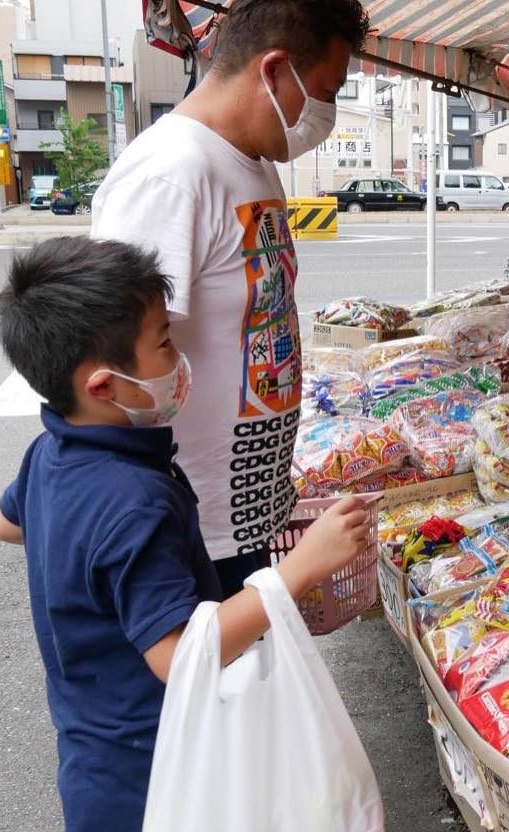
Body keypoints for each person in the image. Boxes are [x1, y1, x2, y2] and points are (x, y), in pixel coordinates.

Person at [0, 237, 375, 831]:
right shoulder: (130, 500)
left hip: (94, 756)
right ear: (103, 385)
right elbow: (177, 658)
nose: (178, 358)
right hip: (156, 774)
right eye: (164, 344)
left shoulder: (51, 453)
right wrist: (302, 568)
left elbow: (6, 523)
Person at [91, 0, 369, 592]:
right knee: (215, 681)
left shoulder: (252, 158)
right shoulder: (169, 175)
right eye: (323, 91)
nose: (325, 115)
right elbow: (110, 368)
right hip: (190, 529)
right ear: (273, 71)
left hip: (244, 517)